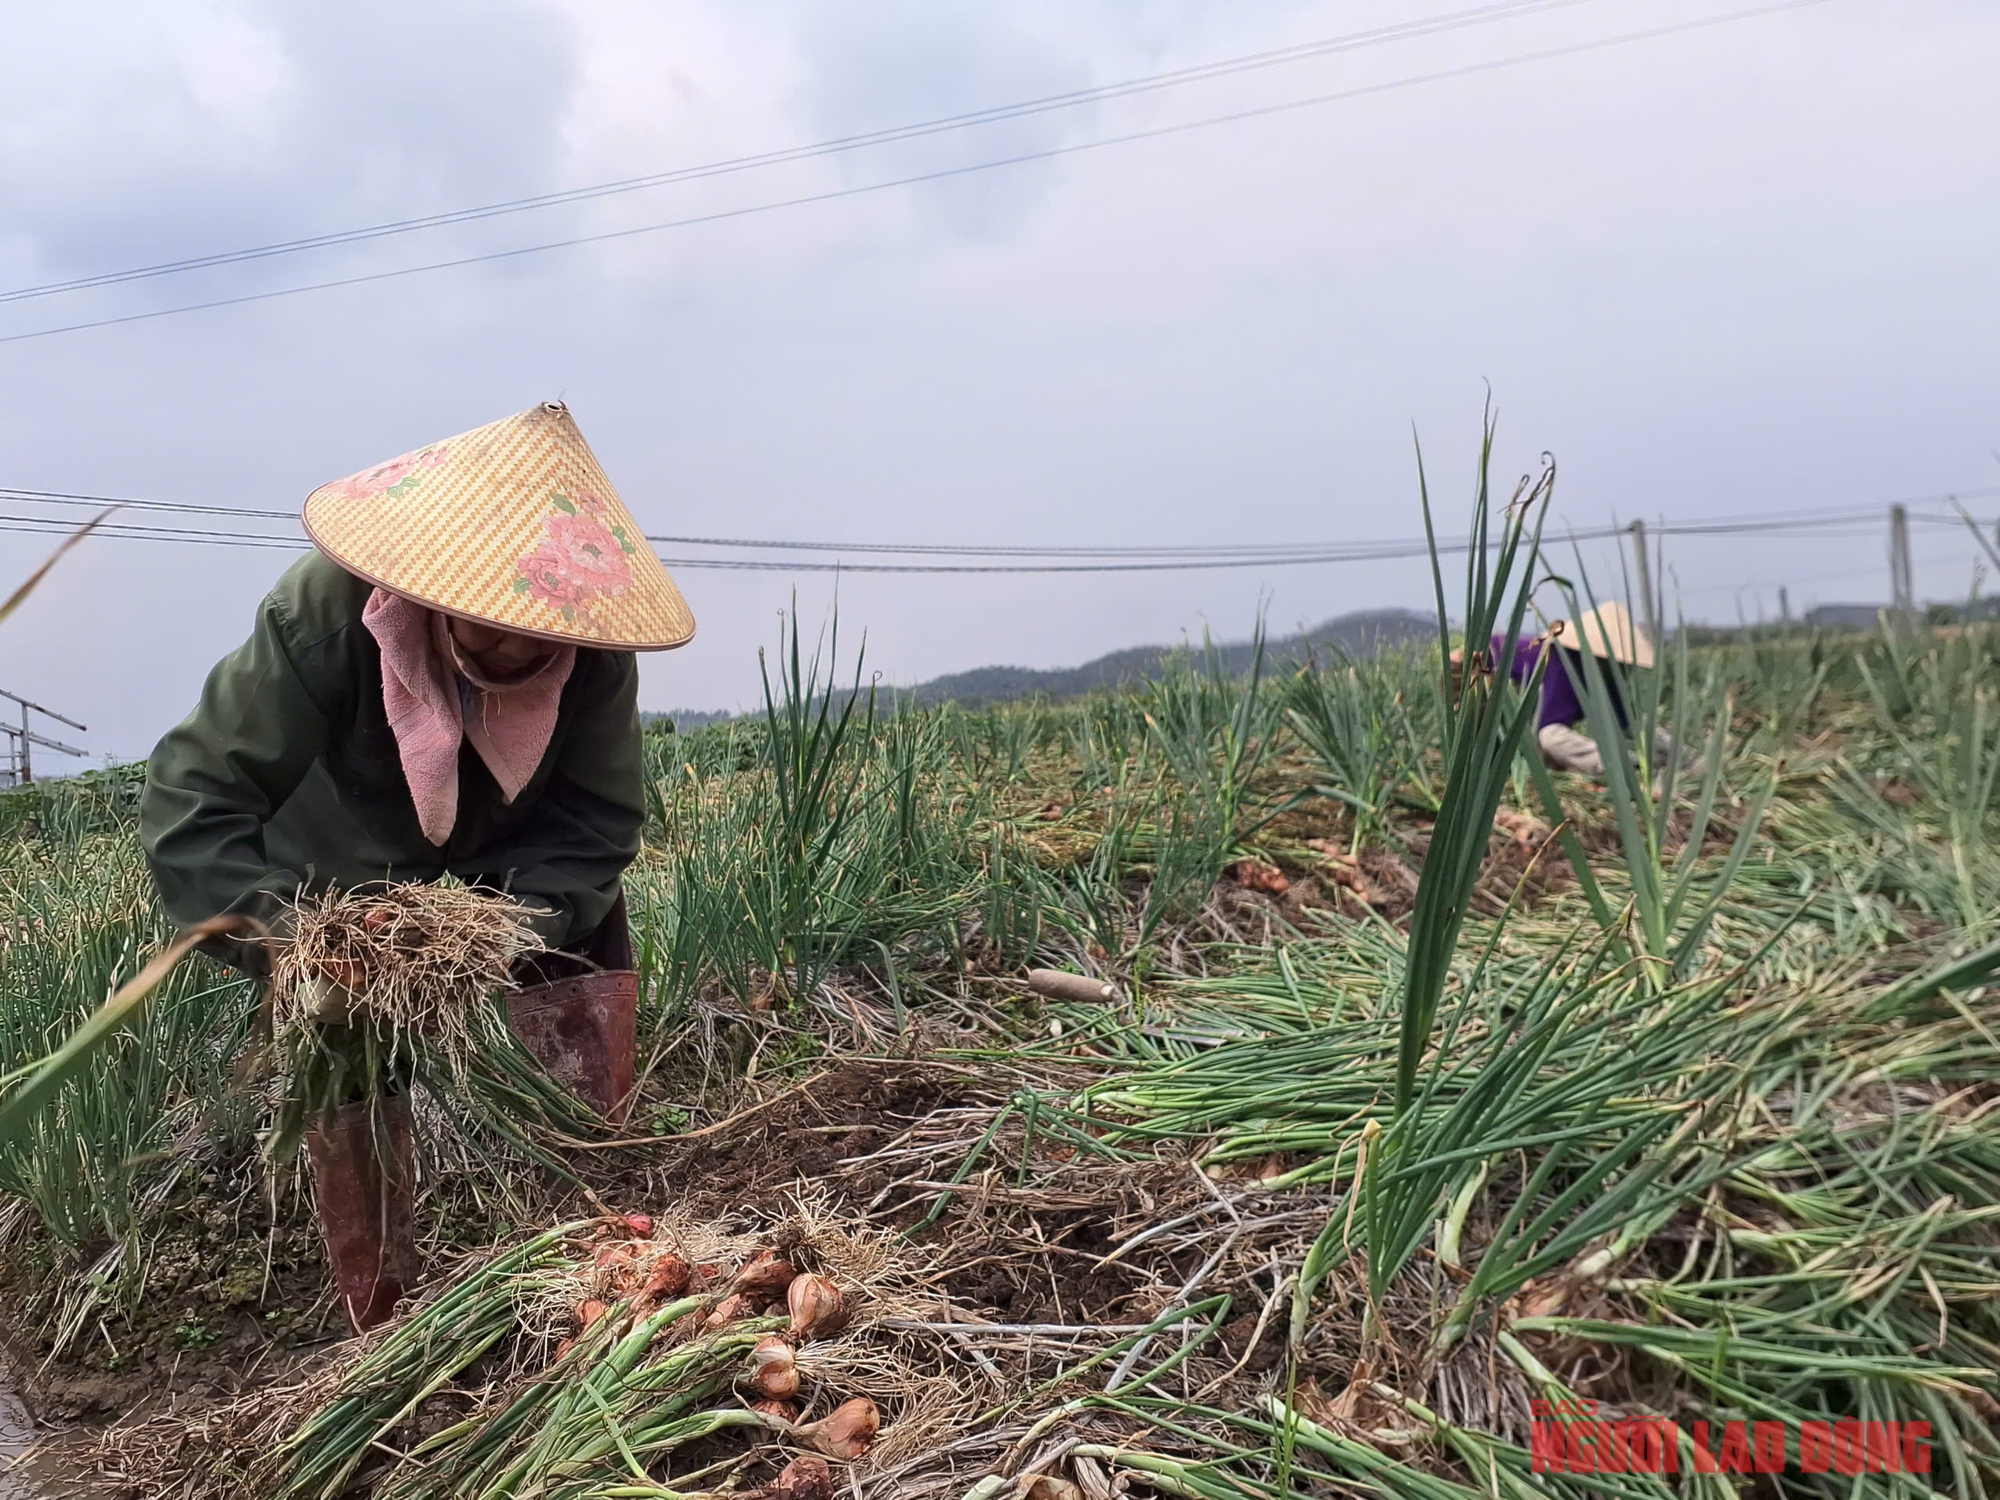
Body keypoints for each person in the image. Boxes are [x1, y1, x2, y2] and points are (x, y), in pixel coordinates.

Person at [139, 401, 695, 1330]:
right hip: (347, 838)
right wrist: (291, 942)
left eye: (538, 635)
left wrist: (509, 926)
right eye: (489, 625)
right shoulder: (325, 614)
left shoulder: (590, 639)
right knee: (339, 1006)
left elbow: (595, 822)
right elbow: (195, 800)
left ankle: (598, 1234)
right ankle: (381, 1300)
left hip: (514, 843)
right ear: (430, 591)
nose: (517, 650)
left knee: (582, 930)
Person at [1495, 601, 1664, 775]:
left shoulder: (1604, 677)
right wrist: (1620, 764)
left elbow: (1630, 723)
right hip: (1491, 675)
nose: (1625, 670)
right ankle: (1621, 768)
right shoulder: (1561, 665)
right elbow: (1549, 733)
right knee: (1552, 740)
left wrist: (1680, 756)